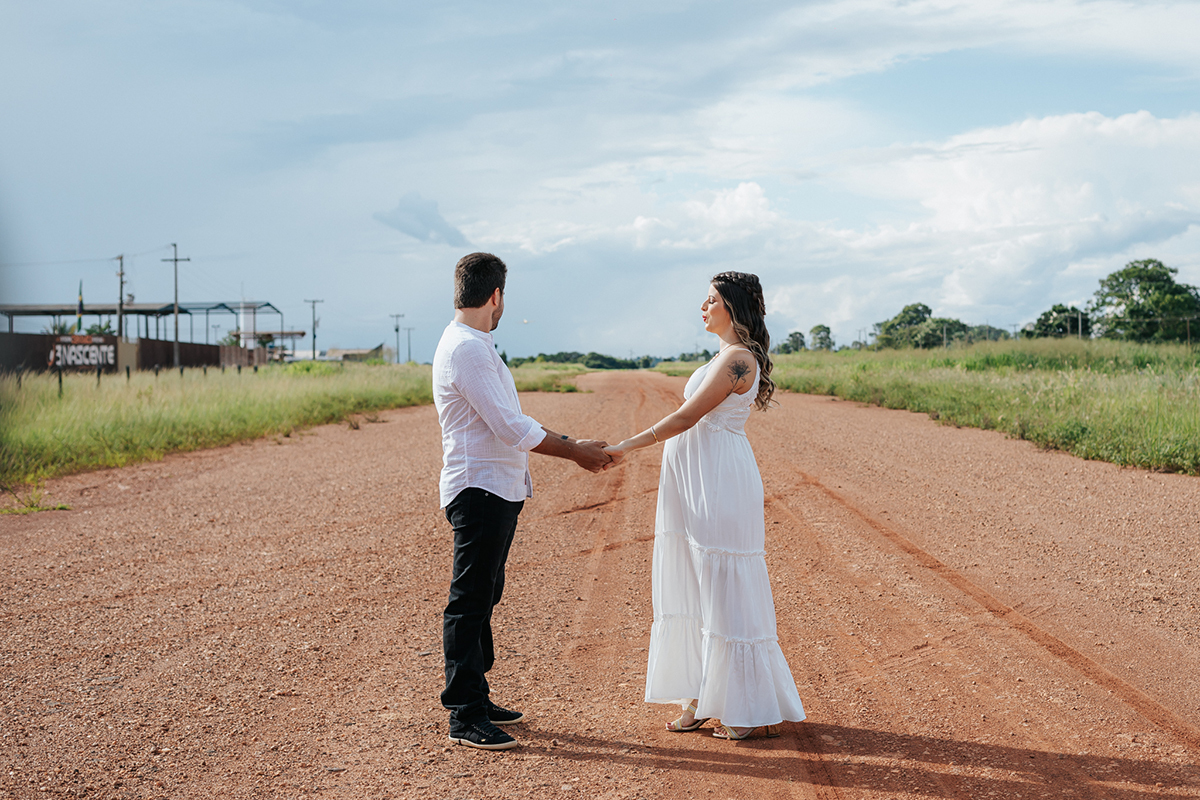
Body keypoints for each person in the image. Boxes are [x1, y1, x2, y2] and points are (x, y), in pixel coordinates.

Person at [604, 272, 806, 740]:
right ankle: (697, 696)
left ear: (732, 307)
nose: (703, 305)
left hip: (718, 480)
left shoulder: (738, 358)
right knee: (694, 586)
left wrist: (623, 448)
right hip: (692, 479)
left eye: (711, 299)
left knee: (722, 585)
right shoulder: (723, 356)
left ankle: (741, 707)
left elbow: (686, 416)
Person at [433, 252, 612, 751]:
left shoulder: (475, 345)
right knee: (469, 600)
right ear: (496, 296)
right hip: (479, 489)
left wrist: (570, 439)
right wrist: (574, 451)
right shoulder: (467, 349)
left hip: (495, 488)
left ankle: (476, 696)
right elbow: (511, 426)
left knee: (485, 595)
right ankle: (464, 713)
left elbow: (511, 417)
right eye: (503, 296)